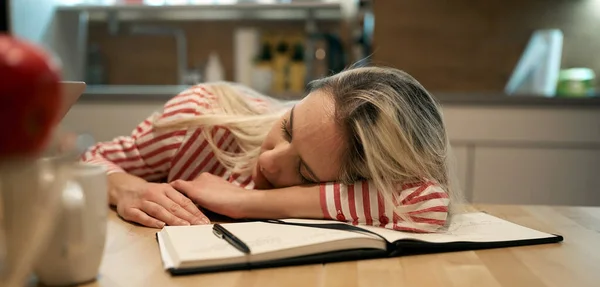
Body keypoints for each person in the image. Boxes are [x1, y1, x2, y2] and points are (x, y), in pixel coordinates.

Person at [81, 66, 460, 233]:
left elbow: (427, 202)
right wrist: (124, 186)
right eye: (288, 127)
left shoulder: (389, 193)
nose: (268, 160)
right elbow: (89, 161)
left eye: (305, 173)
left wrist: (247, 204)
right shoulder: (201, 119)